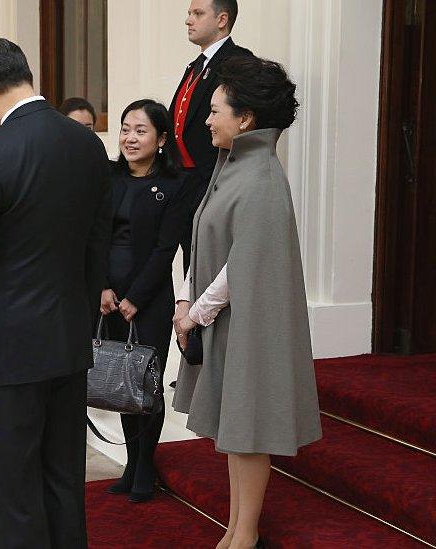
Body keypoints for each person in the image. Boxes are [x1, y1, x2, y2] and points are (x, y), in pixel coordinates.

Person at [0, 38, 113, 549]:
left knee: (12, 488)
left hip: (5, 351)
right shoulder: (87, 144)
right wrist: (79, 320)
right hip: (67, 341)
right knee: (62, 479)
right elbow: (96, 244)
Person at [171, 56, 322, 549]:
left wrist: (197, 312)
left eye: (216, 111)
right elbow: (207, 240)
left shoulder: (259, 177)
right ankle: (235, 530)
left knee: (248, 430)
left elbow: (243, 265)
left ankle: (244, 535)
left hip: (249, 323)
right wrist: (189, 299)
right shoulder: (233, 167)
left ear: (247, 119)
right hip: (231, 321)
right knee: (235, 432)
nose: (208, 120)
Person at [99, 100, 193, 503]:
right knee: (120, 382)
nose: (129, 137)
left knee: (145, 383)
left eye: (140, 130)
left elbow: (164, 248)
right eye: (124, 129)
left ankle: (144, 465)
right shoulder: (106, 177)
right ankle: (131, 462)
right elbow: (93, 237)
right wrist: (102, 288)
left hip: (149, 299)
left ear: (161, 139)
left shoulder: (175, 184)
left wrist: (136, 296)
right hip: (107, 297)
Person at [169, 0, 253, 271]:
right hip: (186, 181)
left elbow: (245, 124)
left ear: (221, 19)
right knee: (190, 263)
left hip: (215, 178)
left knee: (210, 265)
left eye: (197, 13)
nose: (188, 20)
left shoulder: (238, 61)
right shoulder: (196, 65)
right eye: (189, 13)